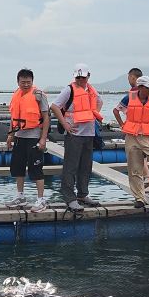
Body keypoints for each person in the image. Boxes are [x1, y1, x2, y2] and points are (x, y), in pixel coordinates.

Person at [50, 64, 104, 212]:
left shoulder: (92, 90)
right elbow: (54, 106)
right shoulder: (69, 89)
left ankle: (82, 194)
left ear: (88, 76)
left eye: (83, 77)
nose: (80, 80)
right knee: (71, 166)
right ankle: (69, 197)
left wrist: (94, 115)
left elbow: (99, 102)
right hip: (74, 134)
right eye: (78, 77)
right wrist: (65, 124)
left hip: (89, 133)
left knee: (86, 166)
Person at [113, 76, 149, 208]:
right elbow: (116, 110)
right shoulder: (128, 98)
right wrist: (122, 125)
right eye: (148, 87)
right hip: (132, 137)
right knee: (135, 168)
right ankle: (139, 197)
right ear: (140, 88)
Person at [4, 69, 50, 212]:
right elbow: (13, 118)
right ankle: (20, 197)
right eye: (22, 82)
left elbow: (46, 117)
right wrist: (10, 135)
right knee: (17, 168)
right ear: (18, 82)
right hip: (19, 136)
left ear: (32, 81)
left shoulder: (39, 95)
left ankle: (41, 200)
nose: (25, 85)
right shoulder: (15, 95)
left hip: (34, 137)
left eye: (28, 82)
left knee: (36, 168)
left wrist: (43, 139)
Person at [125, 68, 149, 188]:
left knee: (138, 157)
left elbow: (119, 110)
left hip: (137, 131)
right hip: (148, 130)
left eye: (129, 78)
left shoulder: (134, 93)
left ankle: (148, 177)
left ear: (133, 77)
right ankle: (148, 176)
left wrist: (123, 124)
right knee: (143, 156)